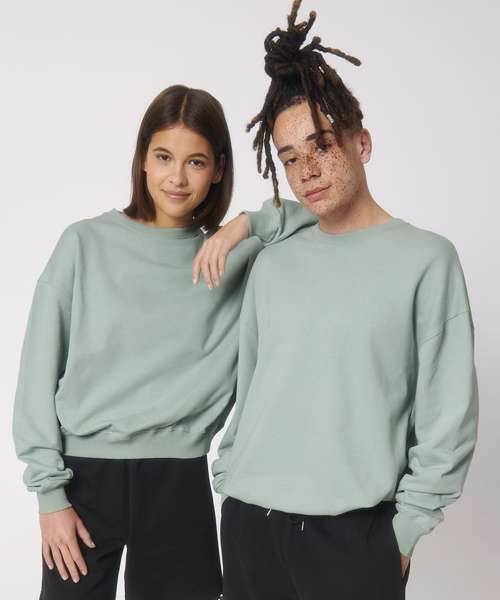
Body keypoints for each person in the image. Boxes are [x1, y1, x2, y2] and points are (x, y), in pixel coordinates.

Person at [210, 2, 479, 599]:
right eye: (289, 158)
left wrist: (404, 531)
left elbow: (448, 415)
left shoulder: (426, 260)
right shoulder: (273, 262)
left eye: (322, 145)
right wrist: (229, 472)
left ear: (362, 142)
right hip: (251, 523)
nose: (307, 169)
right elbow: (250, 383)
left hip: (356, 537)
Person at [12, 83, 316, 600]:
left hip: (180, 481)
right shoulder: (84, 244)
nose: (176, 177)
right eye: (163, 157)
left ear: (218, 169)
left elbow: (316, 214)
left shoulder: (229, 259)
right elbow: (37, 372)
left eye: (195, 162)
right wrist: (49, 495)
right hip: (85, 481)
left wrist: (242, 226)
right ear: (142, 159)